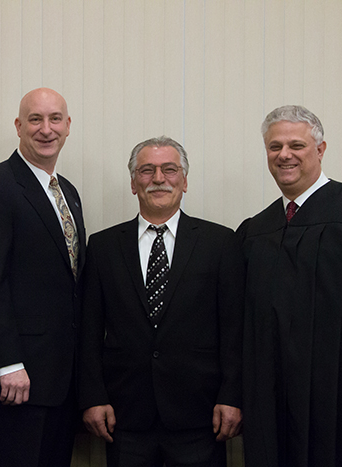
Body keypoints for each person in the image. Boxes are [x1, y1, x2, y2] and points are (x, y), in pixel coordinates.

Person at [238, 105, 342, 466]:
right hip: (272, 401)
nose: (285, 155)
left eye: (297, 145)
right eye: (275, 147)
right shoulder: (256, 230)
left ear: (321, 150)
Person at [78, 136, 244, 467]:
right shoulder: (104, 246)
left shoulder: (220, 242)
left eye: (169, 169)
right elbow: (89, 329)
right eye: (146, 170)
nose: (158, 178)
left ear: (184, 181)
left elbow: (234, 327)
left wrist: (231, 396)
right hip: (125, 415)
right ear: (132, 182)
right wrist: (93, 397)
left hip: (200, 414)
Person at [0, 87, 86, 467]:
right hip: (17, 381)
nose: (45, 129)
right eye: (35, 119)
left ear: (68, 127)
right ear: (18, 126)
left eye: (54, 119)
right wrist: (8, 362)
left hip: (62, 381)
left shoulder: (68, 193)